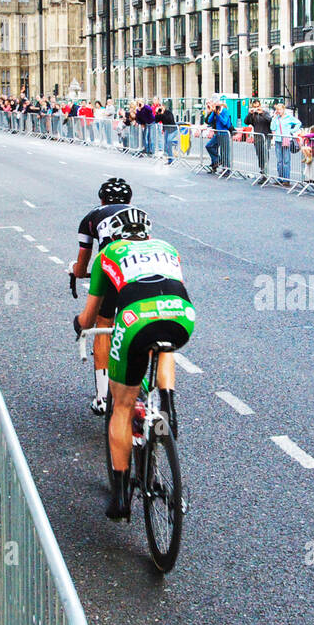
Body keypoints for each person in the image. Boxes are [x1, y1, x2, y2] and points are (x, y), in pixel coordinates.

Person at [74, 208, 195, 521]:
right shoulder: (168, 248)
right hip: (181, 315)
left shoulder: (109, 253)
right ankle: (167, 402)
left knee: (122, 406)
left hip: (135, 320)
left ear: (116, 236)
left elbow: (90, 315)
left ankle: (121, 496)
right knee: (163, 344)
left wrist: (79, 324)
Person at [69, 177, 134, 415]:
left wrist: (77, 272)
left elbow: (82, 262)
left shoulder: (91, 217)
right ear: (130, 201)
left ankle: (102, 396)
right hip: (140, 272)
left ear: (101, 199)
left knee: (104, 323)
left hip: (110, 268)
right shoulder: (140, 214)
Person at [270, 103, 302, 183]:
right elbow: (272, 128)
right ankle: (280, 178)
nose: (279, 111)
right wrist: (274, 118)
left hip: (286, 139)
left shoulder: (289, 117)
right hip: (278, 140)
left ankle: (286, 179)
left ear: (284, 109)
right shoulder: (276, 118)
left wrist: (291, 131)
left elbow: (298, 123)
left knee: (286, 160)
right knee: (279, 161)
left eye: (280, 109)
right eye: (277, 109)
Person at [203, 99, 234, 172]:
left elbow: (225, 122)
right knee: (209, 146)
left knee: (224, 152)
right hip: (218, 133)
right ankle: (218, 160)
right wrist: (213, 112)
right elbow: (209, 121)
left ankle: (226, 169)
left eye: (216, 105)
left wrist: (218, 114)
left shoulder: (225, 111)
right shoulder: (215, 112)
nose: (215, 107)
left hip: (224, 133)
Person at [243, 99, 272, 176]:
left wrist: (261, 113)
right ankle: (262, 169)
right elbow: (246, 122)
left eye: (258, 106)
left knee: (265, 154)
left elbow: (270, 120)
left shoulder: (265, 113)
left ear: (260, 106)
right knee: (259, 154)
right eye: (254, 106)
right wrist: (249, 114)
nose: (256, 108)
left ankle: (265, 171)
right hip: (257, 137)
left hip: (266, 136)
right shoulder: (253, 115)